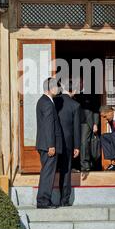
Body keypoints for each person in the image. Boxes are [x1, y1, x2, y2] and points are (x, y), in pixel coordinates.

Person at [35, 77, 62, 209]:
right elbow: (48, 125)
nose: (58, 89)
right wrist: (51, 145)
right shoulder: (46, 102)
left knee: (47, 172)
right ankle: (43, 201)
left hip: (45, 144)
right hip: (48, 145)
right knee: (47, 173)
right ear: (51, 88)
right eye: (57, 87)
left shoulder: (44, 101)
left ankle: (44, 200)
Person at [54, 79, 81, 206]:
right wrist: (77, 146)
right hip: (67, 142)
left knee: (50, 169)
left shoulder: (54, 101)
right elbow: (76, 128)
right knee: (66, 169)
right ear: (74, 90)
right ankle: (64, 200)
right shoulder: (75, 105)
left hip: (52, 140)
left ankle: (46, 198)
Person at [75, 93, 101, 172]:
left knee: (84, 143)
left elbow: (96, 109)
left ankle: (85, 165)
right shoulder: (73, 92)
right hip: (73, 121)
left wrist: (96, 123)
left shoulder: (91, 94)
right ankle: (74, 165)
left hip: (86, 122)